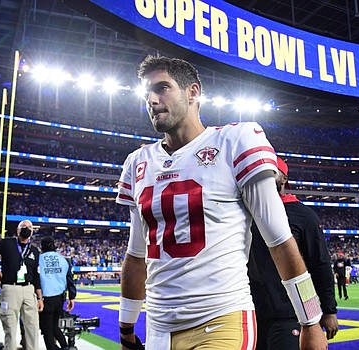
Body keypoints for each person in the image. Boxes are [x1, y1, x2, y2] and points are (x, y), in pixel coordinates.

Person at [116, 56, 327, 350]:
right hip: (158, 327)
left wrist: (310, 320)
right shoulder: (138, 162)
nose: (151, 99)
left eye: (162, 88)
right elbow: (136, 256)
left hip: (221, 318)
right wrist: (126, 328)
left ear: (193, 92)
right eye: (146, 93)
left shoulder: (235, 140)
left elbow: (279, 239)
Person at [248, 156, 339, 348]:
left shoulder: (303, 215)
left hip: (291, 314)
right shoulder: (246, 213)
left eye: (273, 170)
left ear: (284, 178)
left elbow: (319, 265)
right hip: (250, 312)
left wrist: (328, 311)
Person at [0, 220, 44, 350]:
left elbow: (36, 275)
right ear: (17, 230)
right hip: (10, 288)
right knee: (10, 328)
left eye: (29, 227)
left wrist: (39, 297)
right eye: (23, 227)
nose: (26, 229)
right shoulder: (7, 243)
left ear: (32, 231)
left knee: (32, 328)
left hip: (28, 289)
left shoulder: (34, 251)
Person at [38, 236, 76, 350]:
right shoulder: (63, 259)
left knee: (47, 328)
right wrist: (72, 297)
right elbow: (70, 280)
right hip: (59, 298)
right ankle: (65, 346)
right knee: (54, 324)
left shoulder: (38, 259)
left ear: (42, 247)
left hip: (45, 298)